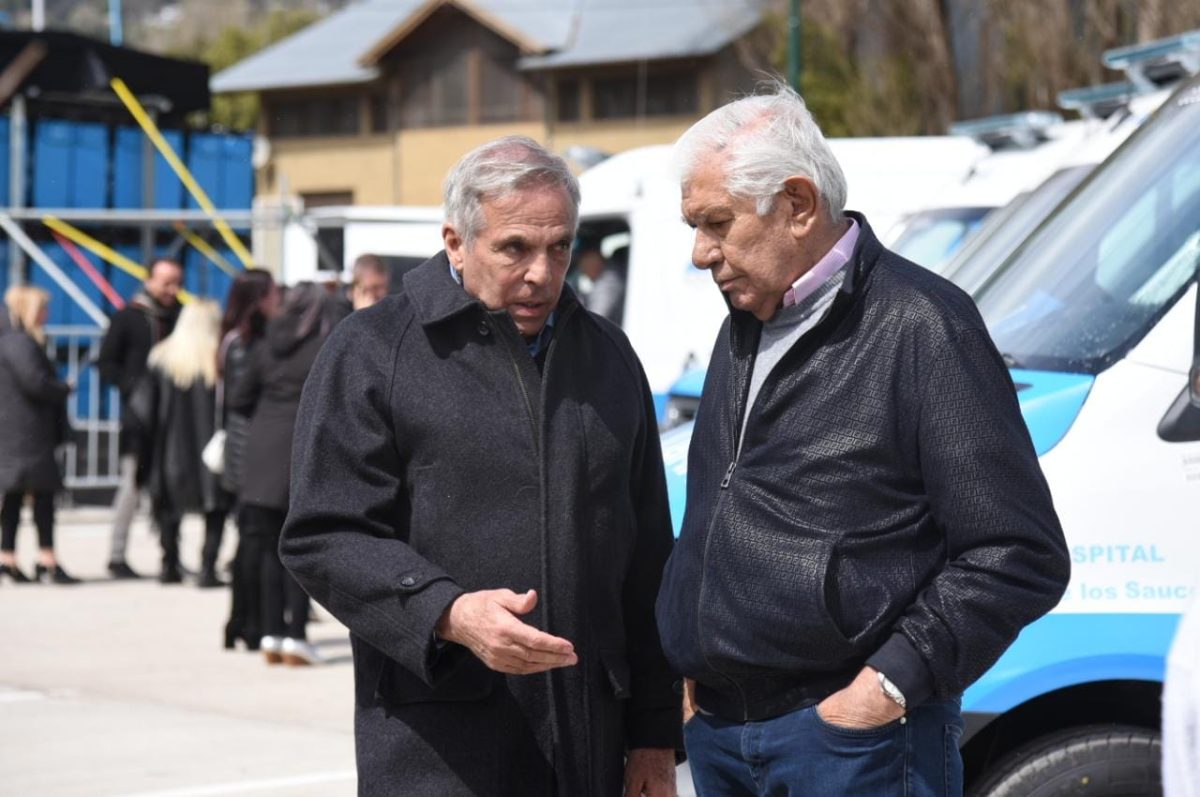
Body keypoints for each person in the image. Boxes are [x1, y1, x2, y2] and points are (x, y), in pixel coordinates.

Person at [654, 84, 1071, 796]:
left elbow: (1018, 553)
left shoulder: (923, 324)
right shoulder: (743, 327)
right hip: (723, 739)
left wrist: (886, 686)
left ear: (797, 205)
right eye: (695, 226)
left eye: (716, 223)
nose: (700, 253)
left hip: (852, 746)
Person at [280, 136, 680, 796]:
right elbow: (322, 535)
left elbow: (646, 563)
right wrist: (448, 612)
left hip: (592, 747)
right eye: (516, 247)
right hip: (440, 748)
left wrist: (655, 734)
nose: (542, 273)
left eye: (560, 247)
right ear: (456, 242)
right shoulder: (374, 350)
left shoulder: (609, 356)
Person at [228, 283, 341, 667]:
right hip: (301, 454)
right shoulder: (321, 350)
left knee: (265, 551)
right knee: (300, 552)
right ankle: (296, 635)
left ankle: (271, 633)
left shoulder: (264, 346)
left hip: (261, 454)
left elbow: (238, 400)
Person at [97, 258, 183, 579]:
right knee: (130, 489)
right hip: (138, 420)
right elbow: (106, 362)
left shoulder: (178, 317)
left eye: (176, 282)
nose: (171, 289)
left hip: (170, 422)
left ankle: (169, 557)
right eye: (165, 282)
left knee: (169, 491)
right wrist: (132, 386)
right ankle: (116, 556)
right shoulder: (128, 317)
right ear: (149, 281)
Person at [134, 299, 227, 585]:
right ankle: (208, 567)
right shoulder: (218, 359)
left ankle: (169, 563)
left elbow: (145, 409)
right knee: (216, 508)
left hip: (169, 447)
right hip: (209, 449)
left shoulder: (161, 358)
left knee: (168, 509)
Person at [217, 269, 280, 650]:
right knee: (254, 544)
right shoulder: (245, 343)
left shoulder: (235, 339)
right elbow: (240, 401)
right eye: (273, 293)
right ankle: (246, 620)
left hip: (246, 452)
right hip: (248, 453)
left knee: (249, 543)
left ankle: (241, 620)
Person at [0, 286, 77, 585]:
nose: (47, 315)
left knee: (15, 499)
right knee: (42, 498)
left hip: (18, 432)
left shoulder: (10, 340)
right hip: (28, 433)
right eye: (43, 309)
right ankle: (46, 560)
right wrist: (63, 388)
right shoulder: (20, 342)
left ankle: (8, 559)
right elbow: (35, 382)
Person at [577, 247, 625, 325]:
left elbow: (595, 320)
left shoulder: (608, 283)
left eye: (585, 266)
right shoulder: (608, 280)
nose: (584, 272)